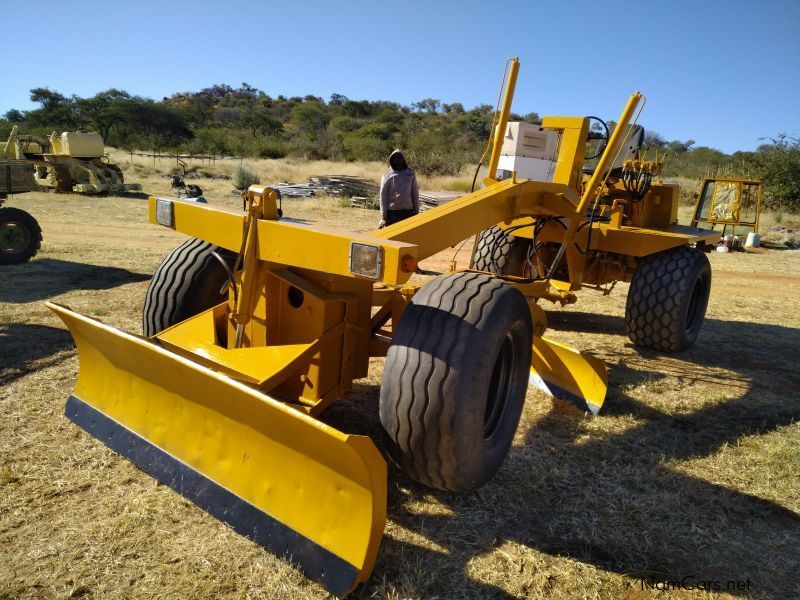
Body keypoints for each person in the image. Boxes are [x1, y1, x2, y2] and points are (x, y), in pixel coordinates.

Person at [378, 149, 419, 228]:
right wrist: (383, 217)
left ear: (403, 159)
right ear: (392, 160)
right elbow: (383, 196)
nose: (397, 159)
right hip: (393, 213)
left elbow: (415, 192)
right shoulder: (387, 175)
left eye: (399, 157)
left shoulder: (410, 173)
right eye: (395, 157)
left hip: (409, 212)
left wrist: (416, 211)